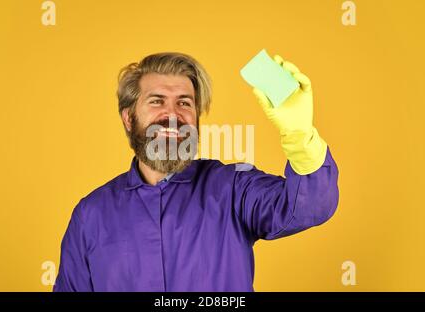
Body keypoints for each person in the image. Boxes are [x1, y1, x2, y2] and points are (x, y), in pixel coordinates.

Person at [53, 52, 339, 291]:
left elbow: (310, 206)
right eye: (157, 101)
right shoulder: (91, 215)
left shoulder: (232, 188)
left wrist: (300, 135)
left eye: (184, 103)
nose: (173, 115)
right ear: (129, 118)